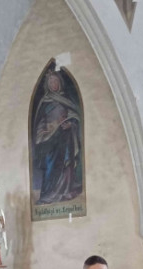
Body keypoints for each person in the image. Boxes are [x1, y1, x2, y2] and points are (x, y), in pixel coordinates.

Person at [33, 69, 82, 205]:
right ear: (47, 85)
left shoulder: (66, 99)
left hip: (65, 136)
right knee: (50, 165)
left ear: (59, 83)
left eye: (55, 81)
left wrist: (71, 124)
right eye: (51, 82)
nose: (53, 84)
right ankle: (48, 194)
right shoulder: (45, 102)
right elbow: (40, 122)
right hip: (49, 139)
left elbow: (75, 116)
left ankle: (64, 190)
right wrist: (46, 130)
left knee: (66, 163)